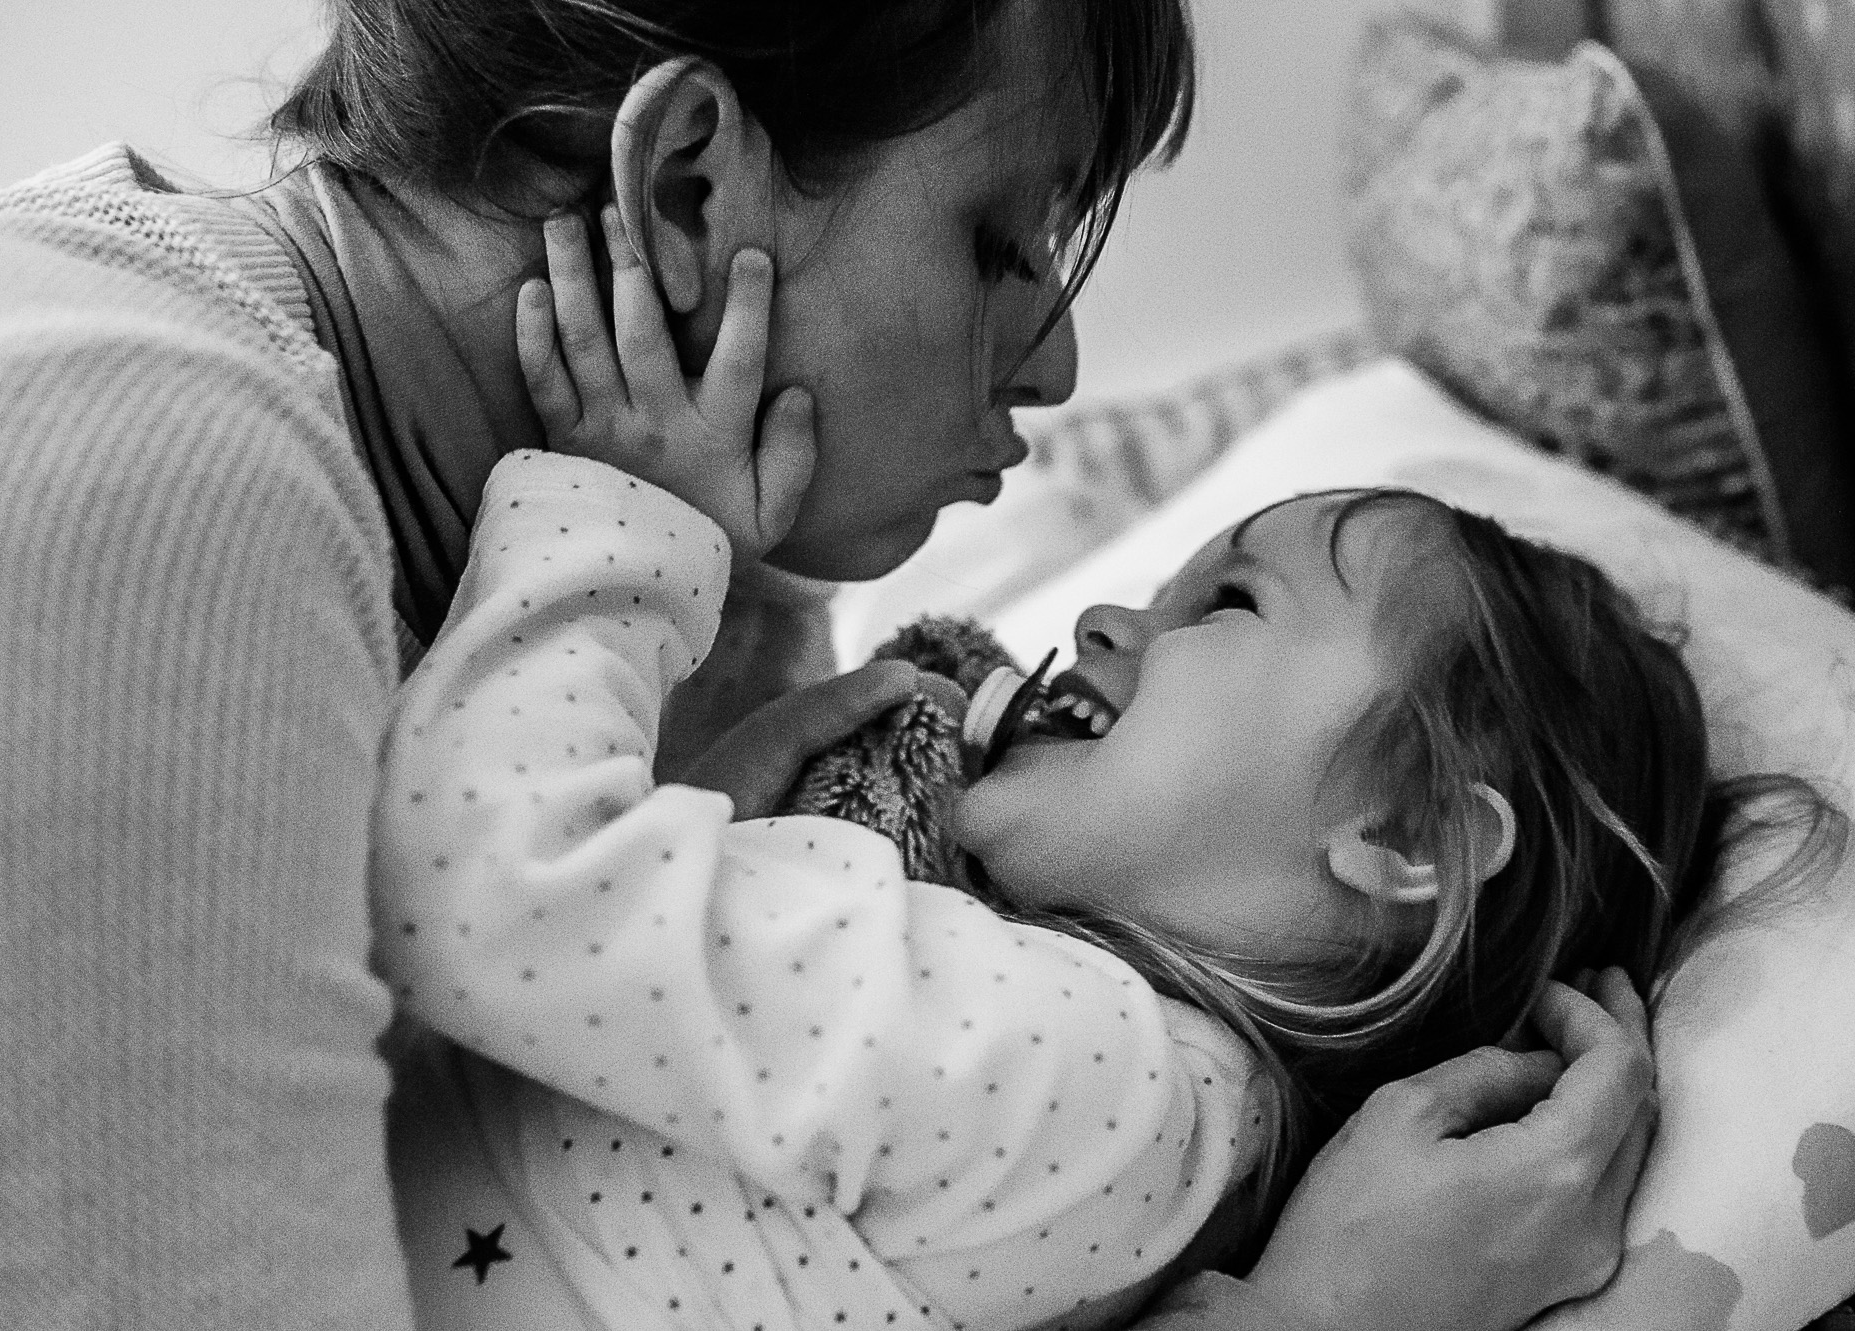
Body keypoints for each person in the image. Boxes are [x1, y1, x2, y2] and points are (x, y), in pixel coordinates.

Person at [0, 1, 1656, 1326]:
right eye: (1000, 239)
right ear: (692, 183)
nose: (1056, 370)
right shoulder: (125, 499)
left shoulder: (701, 633)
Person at [371, 209, 1692, 1331]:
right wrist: (700, 813)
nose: (1112, 624)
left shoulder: (1094, 1069)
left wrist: (623, 517)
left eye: (1226, 605)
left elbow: (475, 884)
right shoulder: (1160, 1138)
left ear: (1409, 836)